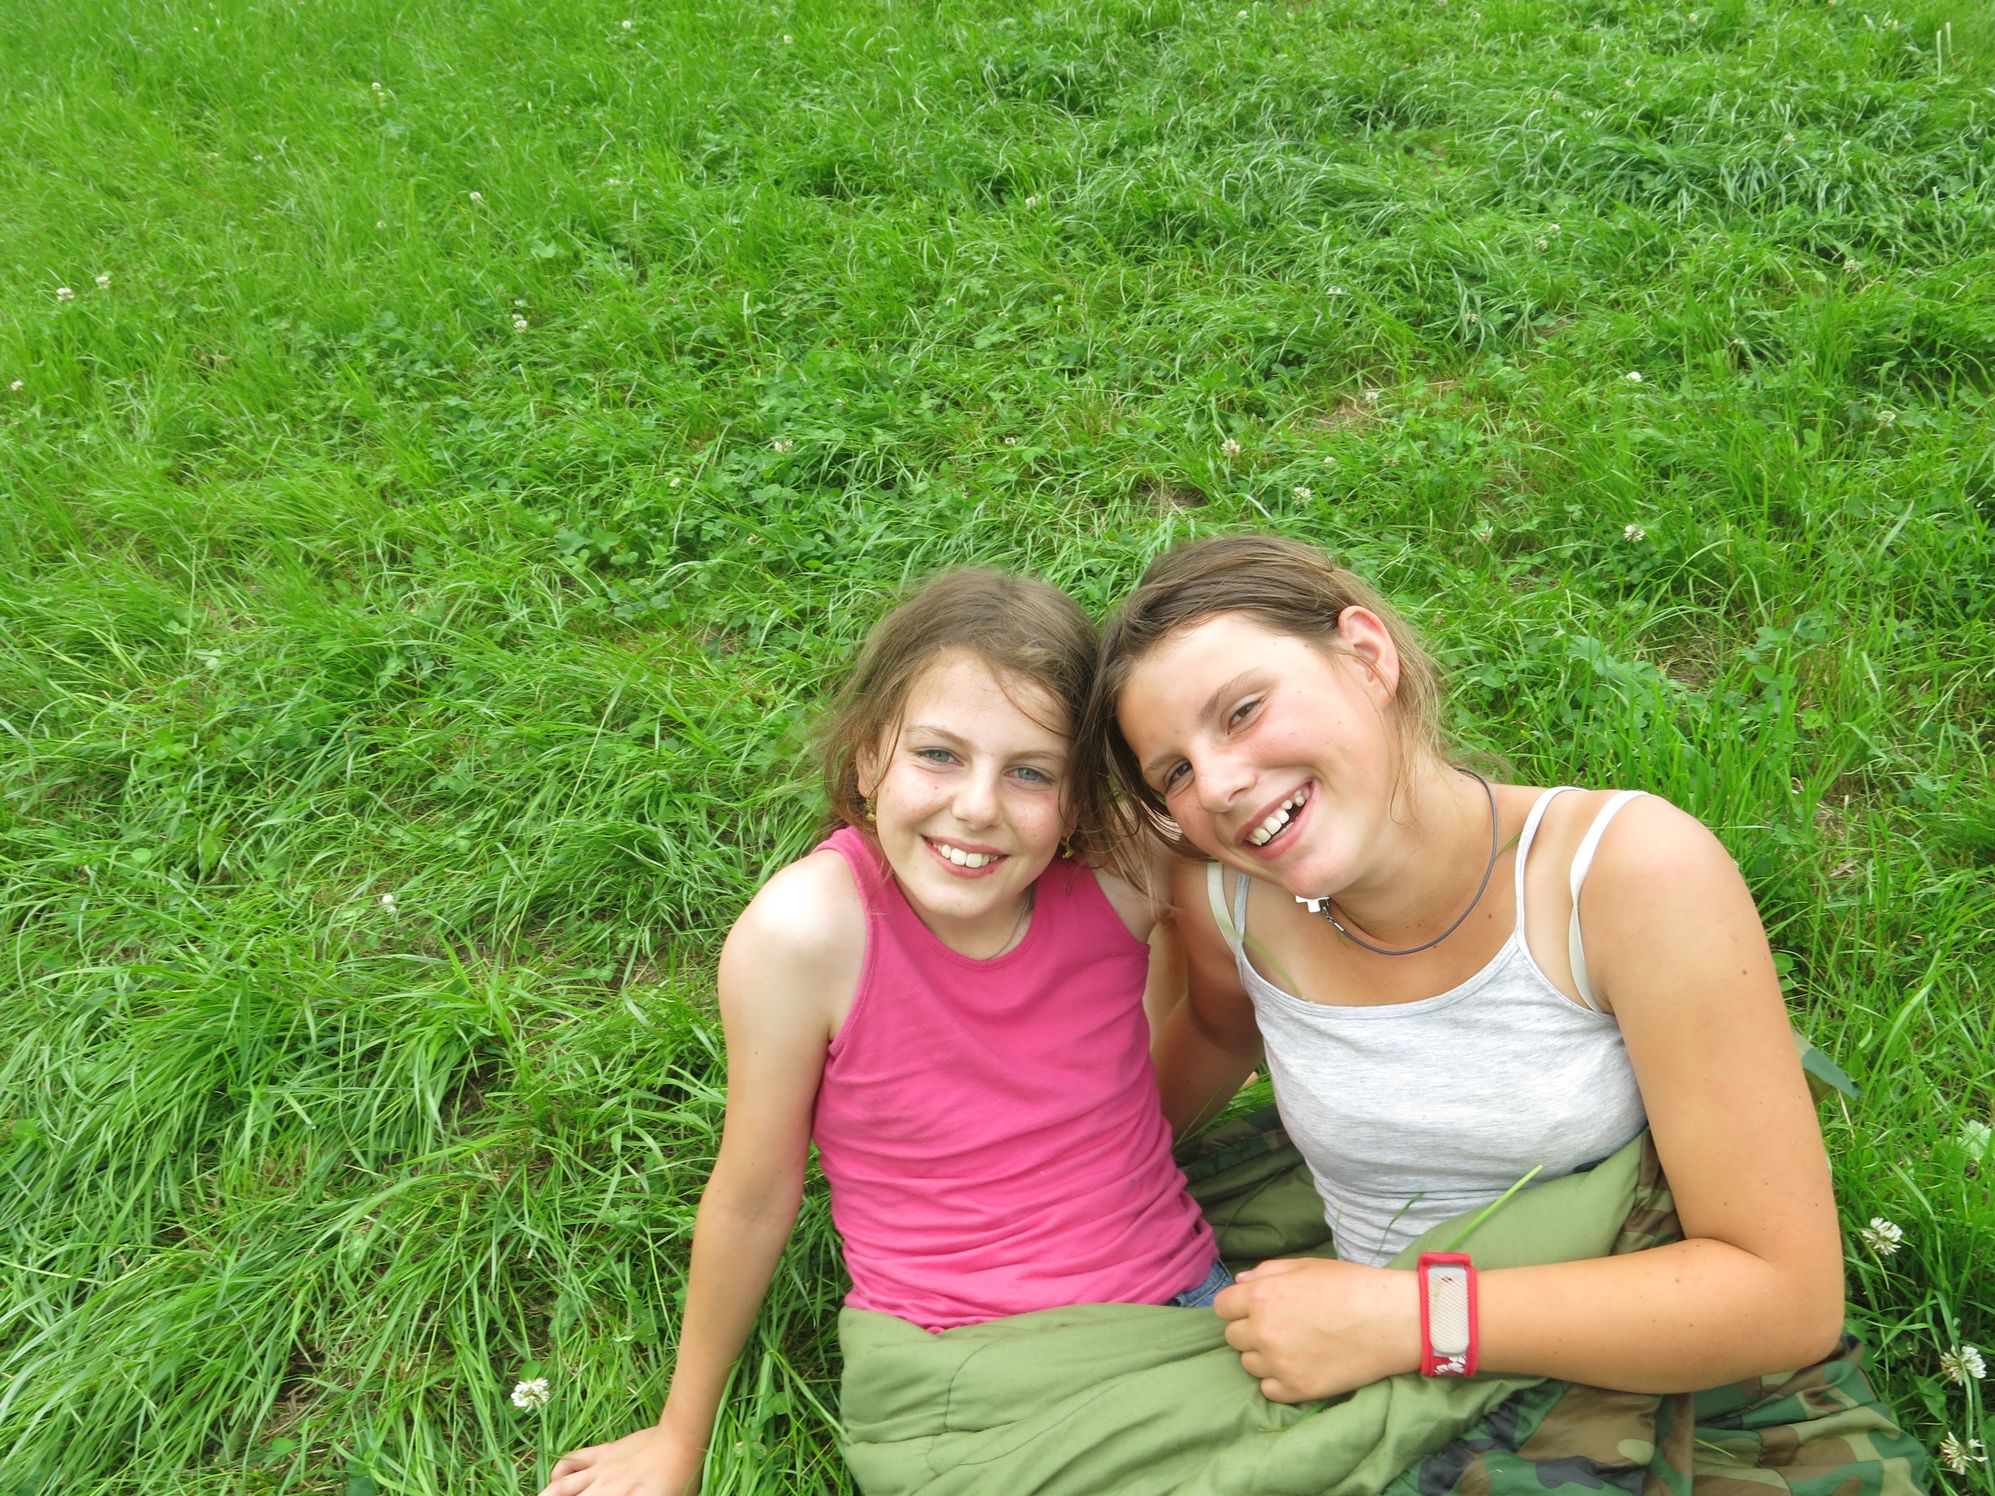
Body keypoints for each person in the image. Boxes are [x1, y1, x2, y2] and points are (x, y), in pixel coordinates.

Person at [1082, 532, 1849, 1405]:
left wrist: (1411, 1320)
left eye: (1242, 711)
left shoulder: (1623, 876)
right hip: (1345, 1343)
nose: (1217, 785)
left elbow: (1785, 1297)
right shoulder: (1230, 904)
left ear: (1366, 657)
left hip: (1606, 1361)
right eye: (1175, 771)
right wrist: (1079, 1177)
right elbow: (1218, 1034)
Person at [538, 570, 1220, 1496]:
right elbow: (752, 1196)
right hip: (964, 1363)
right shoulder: (808, 935)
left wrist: (1132, 1132)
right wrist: (678, 1436)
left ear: (1077, 800)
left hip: (1176, 1309)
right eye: (938, 755)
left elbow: (1210, 987)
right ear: (868, 760)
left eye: (1030, 772)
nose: (977, 806)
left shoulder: (1125, 873)